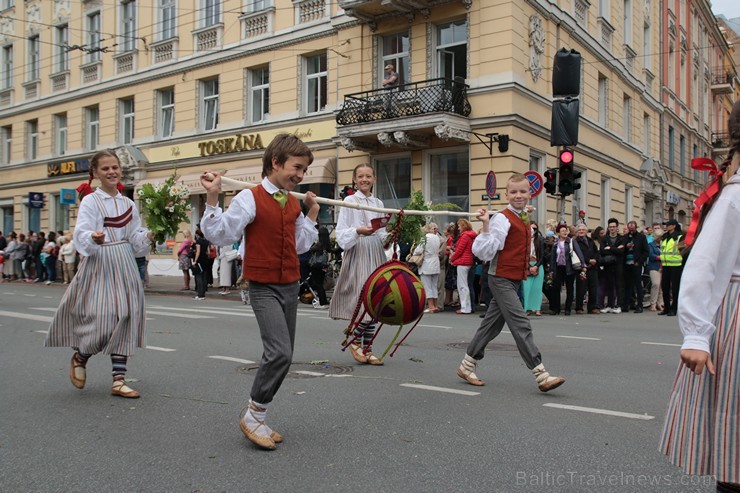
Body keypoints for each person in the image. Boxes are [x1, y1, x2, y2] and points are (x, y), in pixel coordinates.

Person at [200, 133, 319, 451]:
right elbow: (221, 234)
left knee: (286, 356)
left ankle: (260, 416)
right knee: (278, 352)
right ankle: (253, 416)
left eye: (305, 170)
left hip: (290, 284)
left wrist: (311, 213)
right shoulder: (248, 198)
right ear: (276, 162)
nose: (300, 175)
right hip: (263, 285)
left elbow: (302, 245)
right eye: (297, 167)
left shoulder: (292, 202)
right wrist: (213, 198)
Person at [659, 100, 740, 492]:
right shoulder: (735, 195)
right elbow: (705, 262)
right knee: (734, 446)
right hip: (734, 314)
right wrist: (695, 335)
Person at [45, 150, 152, 399]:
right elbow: (82, 232)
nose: (112, 172)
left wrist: (148, 236)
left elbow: (134, 236)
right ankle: (80, 356)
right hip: (101, 262)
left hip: (124, 261)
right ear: (95, 173)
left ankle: (118, 379)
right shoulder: (92, 201)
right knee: (103, 319)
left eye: (115, 167)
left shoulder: (128, 203)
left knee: (126, 315)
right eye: (105, 168)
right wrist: (92, 237)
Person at [456, 174, 565, 392]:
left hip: (515, 279)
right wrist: (486, 226)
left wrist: (525, 212)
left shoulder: (522, 215)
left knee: (492, 325)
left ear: (530, 193)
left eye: (523, 192)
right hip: (500, 278)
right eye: (513, 192)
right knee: (520, 323)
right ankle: (540, 374)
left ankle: (466, 365)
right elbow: (484, 251)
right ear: (506, 195)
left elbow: (521, 219)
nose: (518, 196)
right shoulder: (501, 218)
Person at [329, 163, 388, 366]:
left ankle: (368, 347)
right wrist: (358, 231)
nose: (364, 179)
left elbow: (381, 233)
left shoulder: (378, 202)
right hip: (359, 250)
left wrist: (390, 236)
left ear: (374, 179)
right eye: (361, 176)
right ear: (355, 179)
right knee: (364, 298)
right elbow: (341, 232)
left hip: (376, 253)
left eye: (368, 176)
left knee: (377, 299)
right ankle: (354, 338)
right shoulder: (349, 200)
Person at [549, 224, 584, 316]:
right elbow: (553, 258)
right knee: (556, 288)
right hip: (558, 268)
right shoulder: (555, 244)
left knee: (570, 288)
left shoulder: (571, 242)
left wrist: (583, 264)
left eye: (566, 230)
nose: (565, 232)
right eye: (562, 231)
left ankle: (567, 309)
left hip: (569, 268)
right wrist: (551, 270)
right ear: (558, 233)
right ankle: (556, 309)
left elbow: (579, 253)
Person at [449, 218, 477, 314]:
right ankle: (467, 307)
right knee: (465, 285)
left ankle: (465, 307)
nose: (458, 228)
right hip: (467, 261)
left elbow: (459, 251)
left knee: (462, 286)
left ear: (464, 226)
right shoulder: (470, 235)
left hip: (463, 262)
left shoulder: (464, 236)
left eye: (460, 226)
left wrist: (452, 259)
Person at [413, 223, 442, 313]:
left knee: (427, 286)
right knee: (434, 285)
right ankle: (436, 305)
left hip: (426, 263)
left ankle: (431, 306)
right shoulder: (437, 237)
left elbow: (418, 250)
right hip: (436, 262)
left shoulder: (425, 238)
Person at [599, 218, 626, 314]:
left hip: (618, 264)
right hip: (608, 265)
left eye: (614, 227)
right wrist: (615, 249)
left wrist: (610, 248)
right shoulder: (604, 238)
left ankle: (619, 305)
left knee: (619, 285)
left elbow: (621, 251)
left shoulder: (622, 238)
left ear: (617, 227)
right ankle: (610, 305)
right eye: (610, 227)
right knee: (609, 285)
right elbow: (602, 251)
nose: (612, 229)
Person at [622, 220, 649, 313]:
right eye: (629, 227)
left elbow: (646, 251)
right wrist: (626, 246)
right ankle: (626, 305)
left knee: (638, 285)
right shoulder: (625, 237)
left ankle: (640, 305)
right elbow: (621, 249)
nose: (631, 229)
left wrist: (639, 261)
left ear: (636, 227)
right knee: (627, 285)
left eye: (633, 227)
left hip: (636, 264)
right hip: (626, 264)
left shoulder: (641, 237)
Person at [573, 224, 600, 314]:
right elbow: (577, 254)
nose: (581, 231)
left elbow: (596, 252)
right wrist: (588, 260)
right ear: (577, 231)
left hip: (593, 267)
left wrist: (595, 260)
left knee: (593, 288)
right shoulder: (575, 242)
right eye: (579, 230)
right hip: (582, 268)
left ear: (586, 231)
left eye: (583, 230)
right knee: (581, 288)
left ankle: (593, 307)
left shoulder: (590, 241)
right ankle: (579, 307)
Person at [659, 219, 683, 316]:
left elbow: (684, 251)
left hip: (676, 265)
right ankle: (666, 308)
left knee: (675, 288)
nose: (666, 226)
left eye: (668, 225)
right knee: (665, 287)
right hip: (665, 265)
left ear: (673, 226)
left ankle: (674, 308)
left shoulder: (679, 237)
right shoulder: (665, 237)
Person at [522, 221, 546, 316]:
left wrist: (536, 266)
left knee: (537, 288)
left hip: (538, 265)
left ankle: (537, 308)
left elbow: (542, 255)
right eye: (531, 228)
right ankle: (526, 308)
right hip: (527, 265)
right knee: (526, 288)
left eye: (535, 229)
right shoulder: (523, 240)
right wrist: (529, 266)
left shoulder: (539, 240)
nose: (533, 231)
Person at [308, 226, 332, 309]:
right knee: (321, 284)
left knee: (318, 284)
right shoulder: (327, 244)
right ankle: (324, 301)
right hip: (323, 266)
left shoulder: (319, 244)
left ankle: (322, 302)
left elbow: (311, 249)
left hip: (316, 266)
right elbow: (332, 250)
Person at [646, 228, 663, 312]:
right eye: (660, 237)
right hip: (654, 267)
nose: (661, 238)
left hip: (663, 267)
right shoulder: (651, 245)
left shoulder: (664, 244)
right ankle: (653, 304)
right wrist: (661, 257)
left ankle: (660, 303)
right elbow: (651, 255)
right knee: (655, 284)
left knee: (661, 286)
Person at [191, 229, 210, 301]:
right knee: (204, 277)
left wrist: (195, 261)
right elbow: (208, 253)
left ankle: (200, 294)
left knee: (199, 277)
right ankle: (203, 294)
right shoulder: (206, 241)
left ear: (197, 234)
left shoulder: (198, 241)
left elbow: (198, 252)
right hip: (205, 260)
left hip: (199, 261)